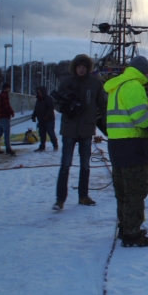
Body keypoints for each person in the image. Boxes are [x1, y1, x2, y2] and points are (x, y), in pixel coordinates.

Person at [104, 55, 148, 247]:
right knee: (136, 190)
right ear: (145, 72)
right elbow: (139, 116)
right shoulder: (134, 85)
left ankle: (125, 227)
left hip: (117, 145)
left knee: (123, 190)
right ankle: (132, 234)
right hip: (133, 143)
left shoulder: (116, 85)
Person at [52, 54, 107, 211]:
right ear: (75, 68)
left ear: (88, 69)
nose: (81, 70)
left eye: (84, 67)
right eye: (79, 67)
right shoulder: (66, 83)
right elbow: (56, 102)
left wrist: (107, 124)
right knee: (65, 164)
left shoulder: (95, 83)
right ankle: (60, 200)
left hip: (86, 128)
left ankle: (83, 196)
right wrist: (65, 108)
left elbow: (103, 104)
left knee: (85, 165)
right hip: (69, 128)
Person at [31, 86, 58, 152]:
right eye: (37, 91)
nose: (38, 92)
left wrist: (47, 116)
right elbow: (36, 109)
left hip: (49, 120)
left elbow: (50, 108)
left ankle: (55, 146)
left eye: (39, 91)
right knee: (42, 134)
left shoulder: (48, 99)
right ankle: (42, 147)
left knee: (51, 133)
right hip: (41, 120)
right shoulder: (38, 100)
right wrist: (34, 116)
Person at [0, 83, 16, 155]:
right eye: (9, 88)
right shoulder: (4, 96)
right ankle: (8, 149)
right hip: (4, 117)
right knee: (7, 134)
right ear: (5, 88)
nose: (10, 89)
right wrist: (12, 112)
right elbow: (7, 106)